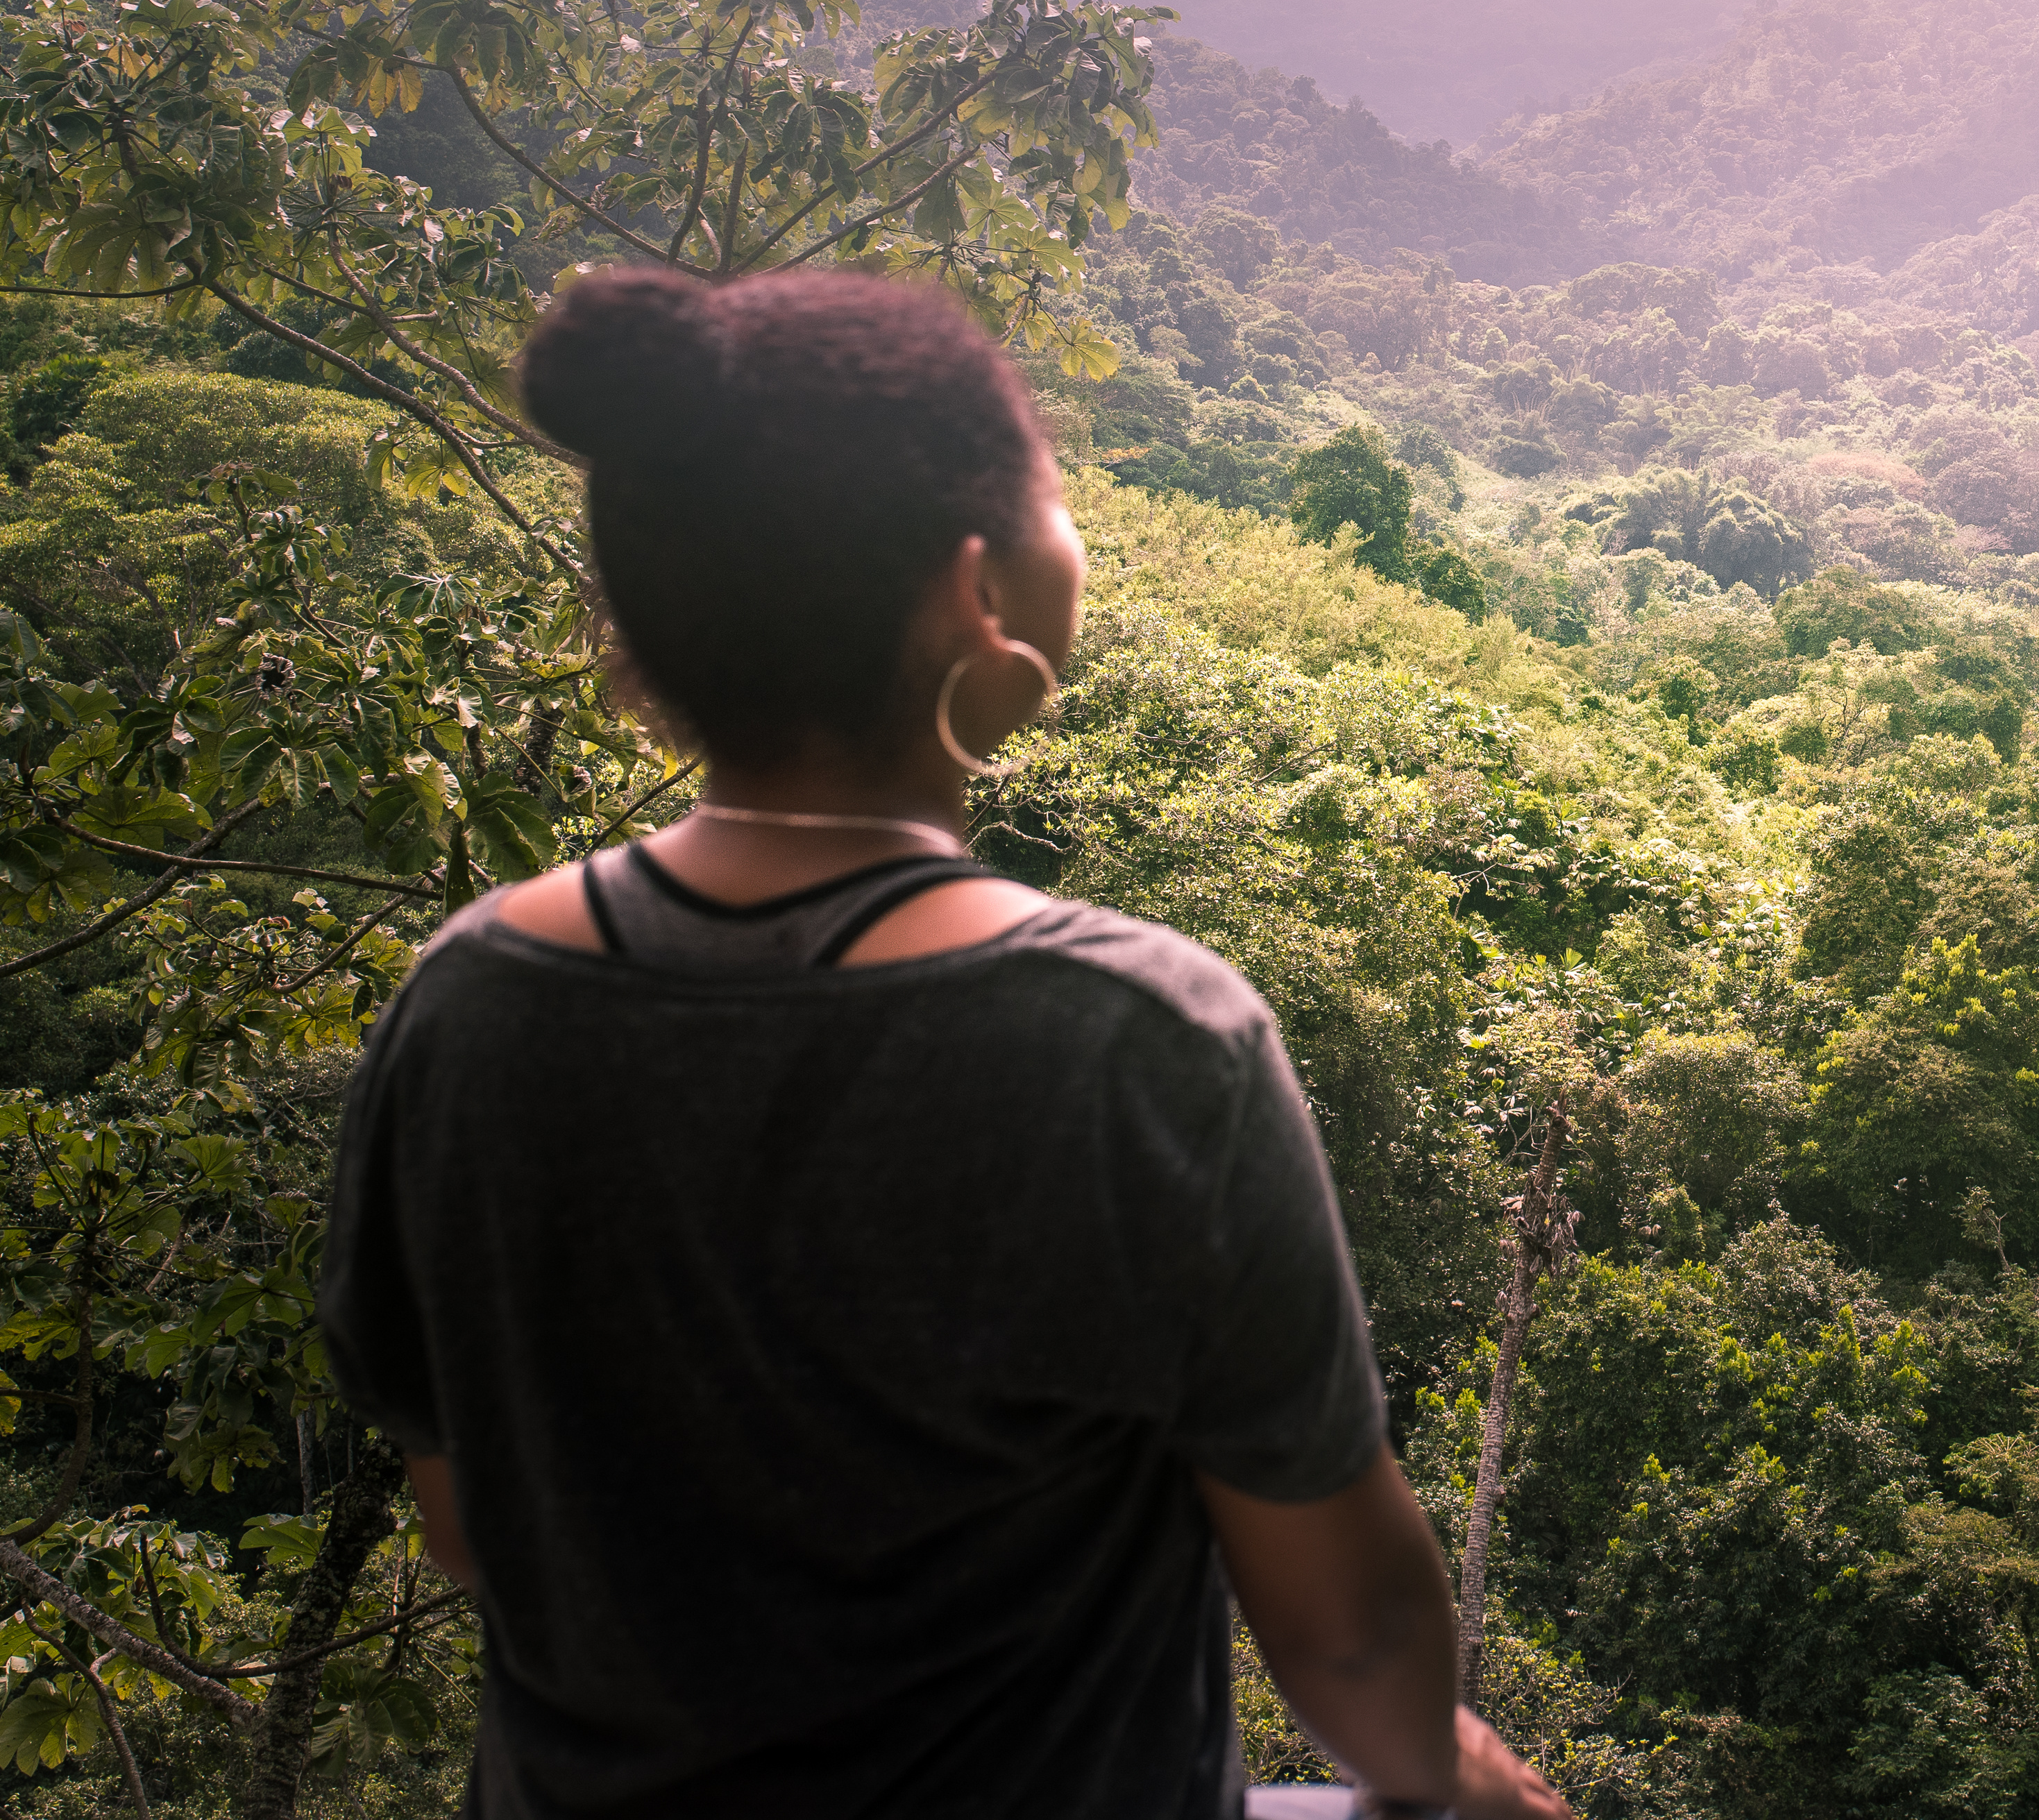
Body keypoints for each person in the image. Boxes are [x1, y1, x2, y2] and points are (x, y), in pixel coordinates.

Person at [319, 264, 1565, 1819]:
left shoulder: (470, 999)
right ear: (978, 593)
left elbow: (468, 1525)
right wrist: (1461, 1778)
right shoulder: (1134, 1040)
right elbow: (1351, 1632)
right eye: (1057, 494)